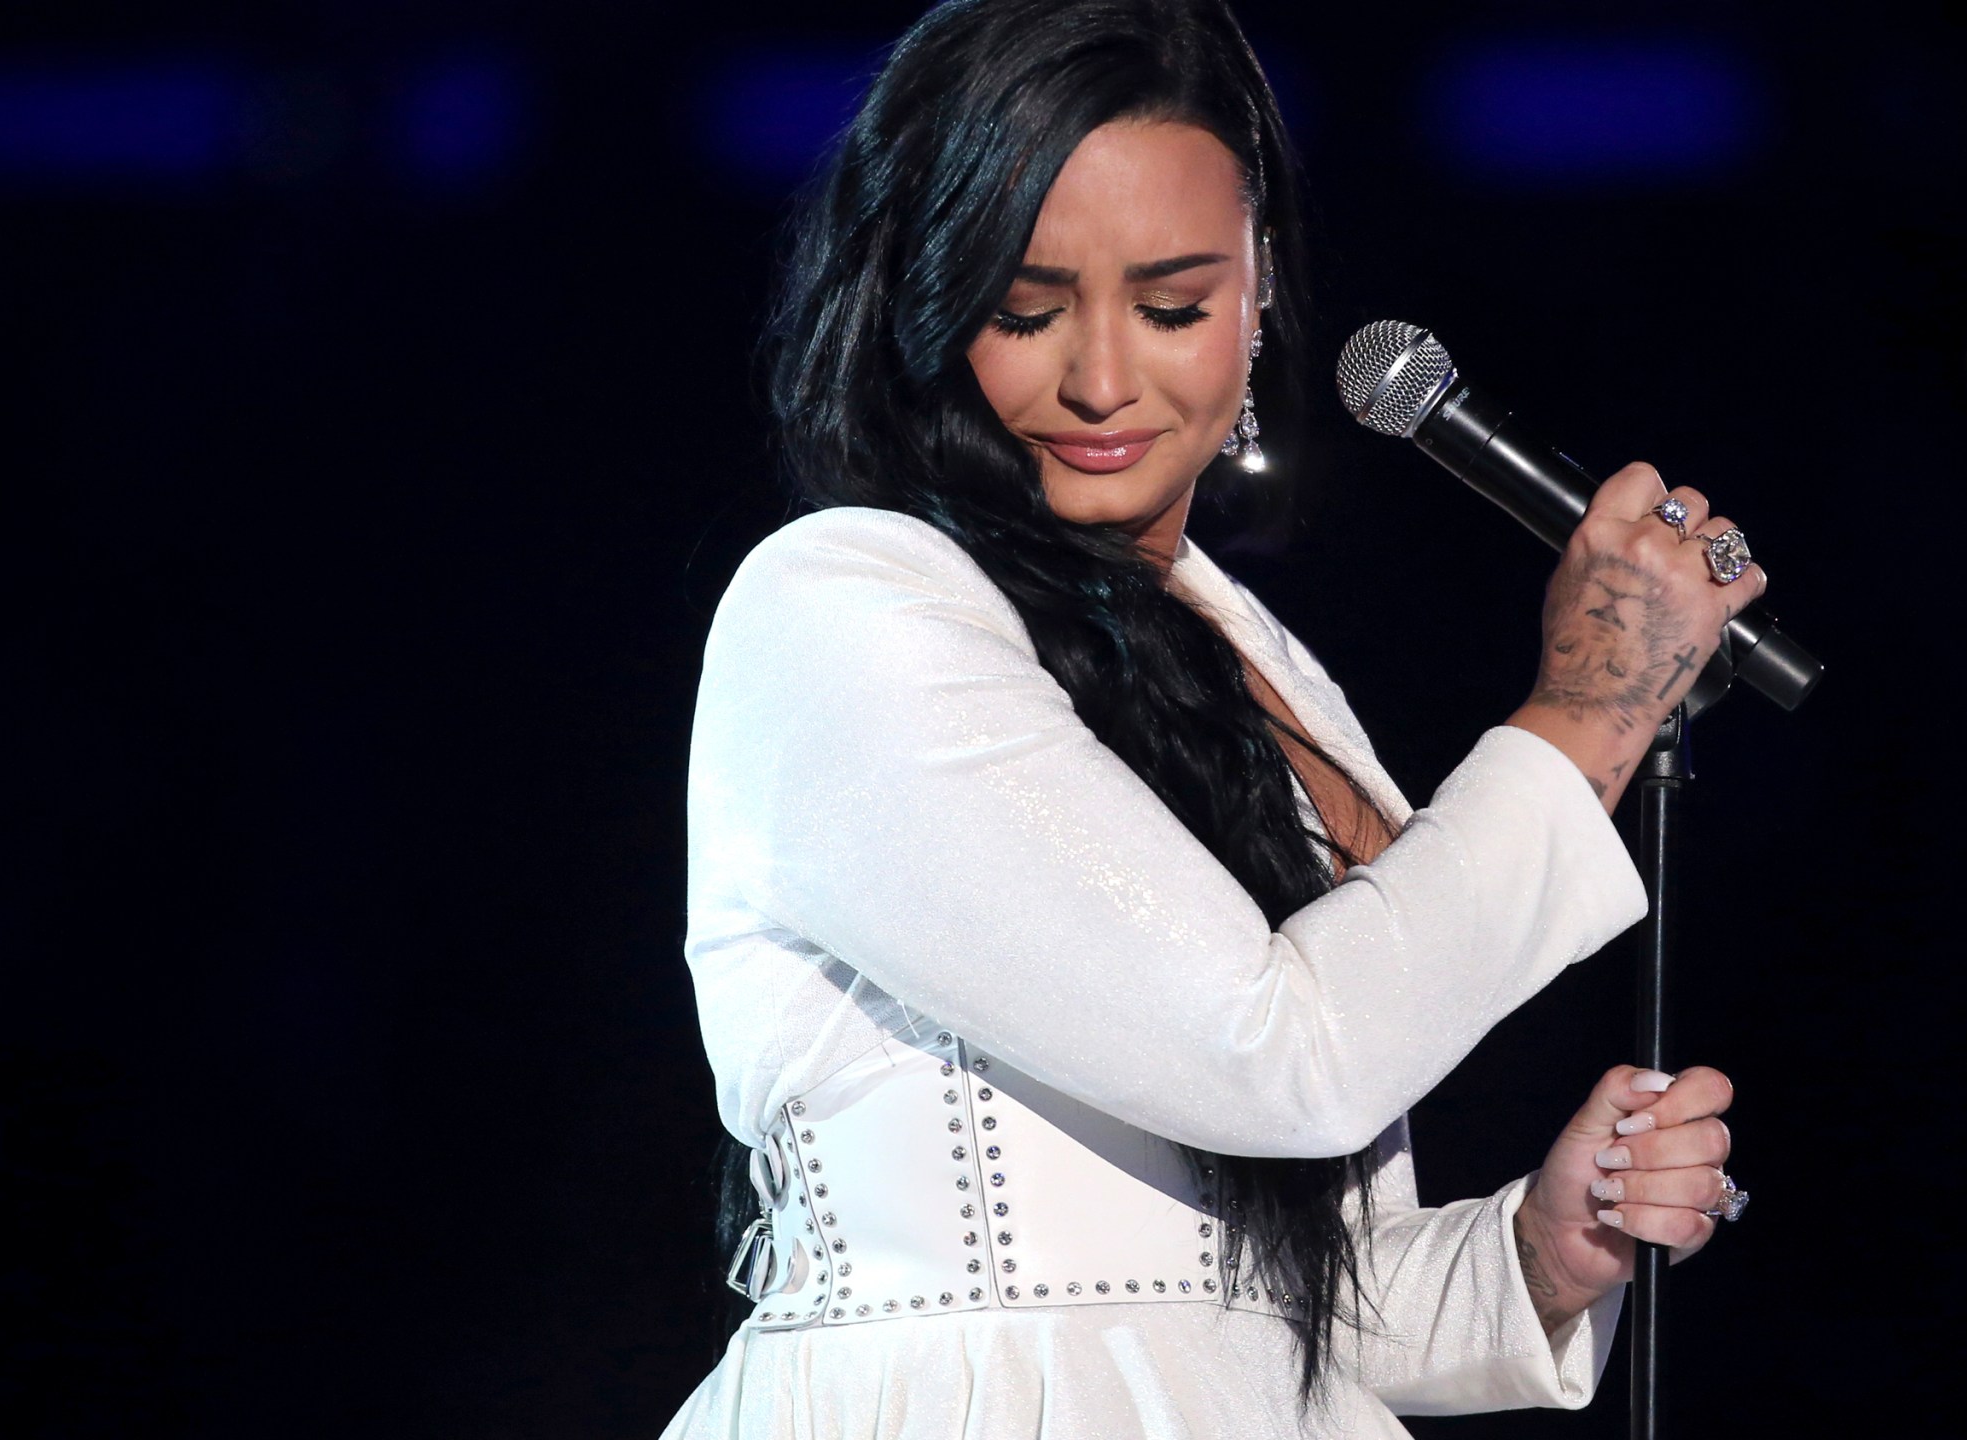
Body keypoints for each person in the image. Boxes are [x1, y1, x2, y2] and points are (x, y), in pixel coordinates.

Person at [663, 2, 1763, 1436]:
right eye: (1026, 309)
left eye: (1173, 307)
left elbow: (1266, 1304)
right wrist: (1587, 713)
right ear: (923, 307)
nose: (1104, 380)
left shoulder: (1257, 664)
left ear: (1257, 306)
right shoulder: (844, 614)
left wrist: (1538, 1259)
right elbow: (1277, 1054)